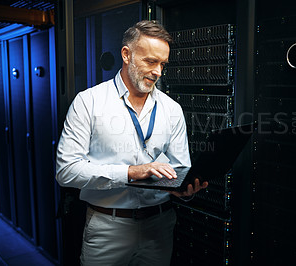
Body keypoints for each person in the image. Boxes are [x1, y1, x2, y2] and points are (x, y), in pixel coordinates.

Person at [55, 20, 208, 266]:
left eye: (162, 64)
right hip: (108, 227)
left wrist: (184, 190)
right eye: (150, 61)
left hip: (159, 226)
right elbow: (66, 172)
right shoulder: (88, 102)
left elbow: (181, 168)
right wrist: (131, 173)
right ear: (126, 54)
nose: (158, 71)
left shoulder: (172, 109)